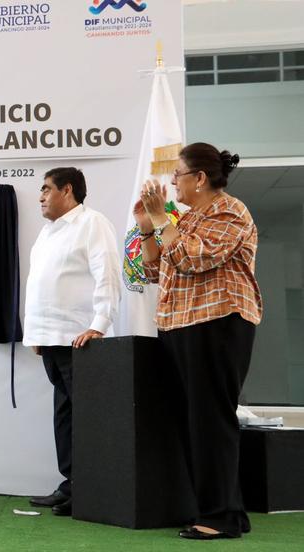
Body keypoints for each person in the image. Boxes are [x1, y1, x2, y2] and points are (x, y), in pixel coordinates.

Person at [135, 143, 262, 540]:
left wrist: (160, 217)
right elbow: (154, 270)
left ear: (200, 178)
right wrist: (146, 228)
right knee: (194, 420)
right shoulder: (185, 219)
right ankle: (226, 512)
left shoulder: (229, 210)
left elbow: (193, 259)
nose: (172, 181)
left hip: (217, 322)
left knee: (210, 419)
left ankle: (219, 517)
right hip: (179, 325)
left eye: (178, 174)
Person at [23, 167, 121, 516]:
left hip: (80, 340)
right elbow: (42, 284)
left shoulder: (92, 223)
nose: (40, 196)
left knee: (86, 417)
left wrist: (99, 324)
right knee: (65, 416)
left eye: (46, 189)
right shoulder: (48, 233)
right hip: (51, 339)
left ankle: (93, 489)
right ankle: (72, 485)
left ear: (67, 190)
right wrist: (36, 333)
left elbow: (108, 273)